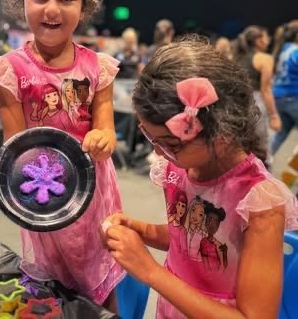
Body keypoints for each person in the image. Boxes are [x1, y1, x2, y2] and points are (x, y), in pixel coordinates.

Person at [0, 0, 125, 310]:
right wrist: (0, 170)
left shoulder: (98, 67)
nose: (52, 9)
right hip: (46, 192)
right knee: (56, 280)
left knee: (100, 269)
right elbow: (16, 146)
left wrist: (103, 140)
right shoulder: (10, 71)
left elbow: (107, 129)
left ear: (84, 4)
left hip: (94, 191)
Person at [101, 39, 298, 318]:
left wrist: (150, 271)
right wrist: (139, 229)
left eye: (171, 143)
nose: (158, 152)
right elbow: (187, 239)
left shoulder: (258, 203)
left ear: (222, 132)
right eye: (150, 138)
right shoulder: (178, 169)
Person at [234, 25, 281, 162]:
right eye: (266, 37)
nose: (268, 40)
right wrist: (274, 116)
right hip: (256, 102)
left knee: (243, 144)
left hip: (236, 103)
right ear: (259, 40)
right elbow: (266, 90)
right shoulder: (265, 59)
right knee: (262, 144)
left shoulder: (236, 57)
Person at [271, 20, 298, 154]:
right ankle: (295, 164)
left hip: (278, 97)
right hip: (293, 97)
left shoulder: (282, 49)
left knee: (282, 133)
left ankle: (268, 161)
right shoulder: (296, 52)